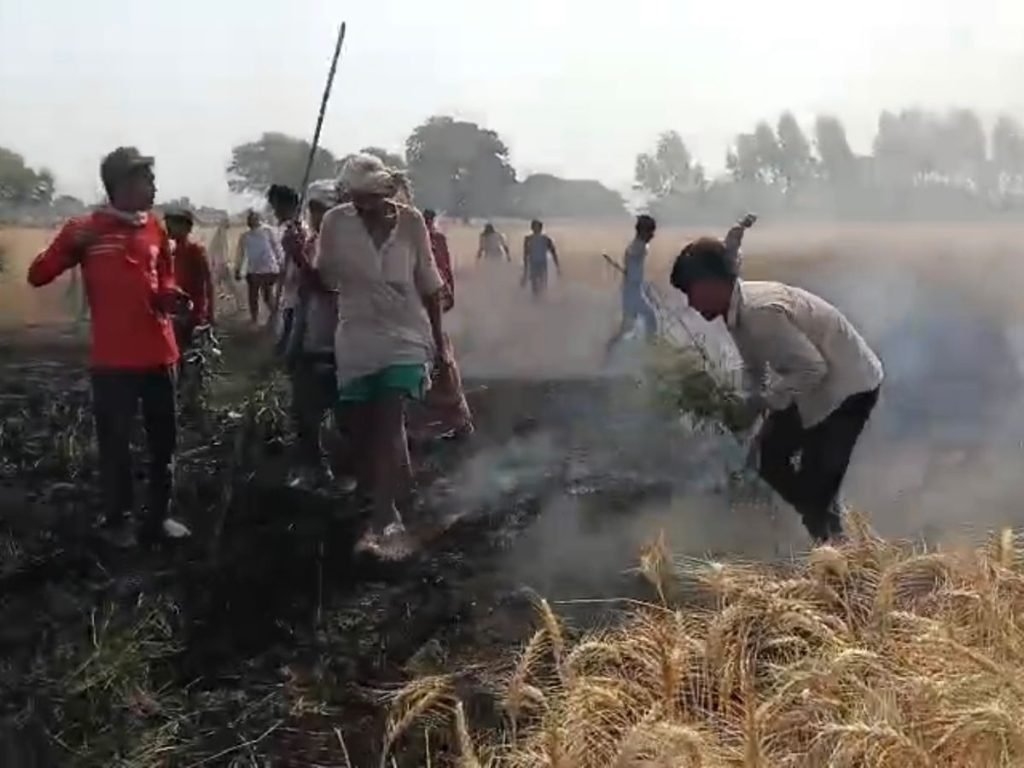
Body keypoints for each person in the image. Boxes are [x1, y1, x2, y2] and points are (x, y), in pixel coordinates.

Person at [26, 147, 192, 545]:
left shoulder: (155, 228)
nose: (154, 187)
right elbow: (38, 275)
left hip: (161, 355)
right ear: (121, 185)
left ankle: (159, 518)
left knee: (163, 443)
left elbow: (164, 279)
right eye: (146, 180)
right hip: (114, 361)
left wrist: (170, 296)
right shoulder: (85, 229)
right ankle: (117, 521)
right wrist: (67, 246)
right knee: (116, 444)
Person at [669, 237, 883, 543]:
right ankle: (824, 521)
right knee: (769, 458)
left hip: (847, 389)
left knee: (816, 484)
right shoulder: (738, 312)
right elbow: (755, 368)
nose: (690, 303)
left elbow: (813, 368)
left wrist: (760, 403)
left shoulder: (759, 312)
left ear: (712, 283)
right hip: (811, 385)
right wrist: (745, 406)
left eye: (691, 292)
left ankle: (839, 549)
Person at [314, 154, 449, 556]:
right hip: (357, 336)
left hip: (406, 334)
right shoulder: (335, 222)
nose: (362, 206)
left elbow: (429, 284)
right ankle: (395, 493)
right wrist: (305, 254)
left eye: (368, 198)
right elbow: (326, 278)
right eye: (354, 198)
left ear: (384, 191)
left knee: (390, 420)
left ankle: (383, 520)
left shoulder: (410, 223)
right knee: (363, 429)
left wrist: (440, 346)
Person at [286, 180, 348, 488]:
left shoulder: (347, 246)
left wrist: (298, 258)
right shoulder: (310, 242)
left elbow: (327, 286)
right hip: (310, 336)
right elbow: (300, 295)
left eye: (322, 209)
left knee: (346, 413)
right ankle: (314, 468)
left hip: (341, 340)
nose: (315, 216)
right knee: (304, 411)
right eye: (313, 209)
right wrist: (291, 338)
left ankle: (350, 474)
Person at [415, 209, 474, 440]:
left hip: (429, 303)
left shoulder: (434, 240)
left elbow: (444, 271)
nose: (428, 225)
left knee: (440, 358)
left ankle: (458, 421)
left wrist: (447, 295)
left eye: (429, 221)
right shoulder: (422, 239)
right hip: (418, 306)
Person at [605, 214, 658, 355]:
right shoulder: (638, 246)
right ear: (643, 231)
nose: (653, 235)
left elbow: (633, 265)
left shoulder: (640, 245)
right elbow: (631, 254)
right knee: (650, 318)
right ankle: (651, 350)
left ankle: (610, 350)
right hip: (631, 291)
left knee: (628, 327)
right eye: (651, 231)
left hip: (634, 289)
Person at [266, 184, 309, 354]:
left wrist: (295, 246)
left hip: (301, 297)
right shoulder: (285, 229)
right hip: (290, 293)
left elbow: (305, 263)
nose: (275, 212)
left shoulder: (301, 230)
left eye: (277, 207)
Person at [164, 207, 214, 351]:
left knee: (190, 351)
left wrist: (210, 312)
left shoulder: (196, 250)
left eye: (172, 224)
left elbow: (208, 282)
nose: (168, 227)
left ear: (186, 227)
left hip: (194, 310)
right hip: (178, 309)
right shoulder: (172, 251)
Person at [234, 209, 283, 324]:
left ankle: (275, 317)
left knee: (267, 295)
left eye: (253, 218)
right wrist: (238, 269)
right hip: (253, 270)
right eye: (249, 219)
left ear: (258, 219)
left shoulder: (268, 231)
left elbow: (276, 247)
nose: (251, 221)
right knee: (253, 297)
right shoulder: (245, 236)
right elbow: (240, 254)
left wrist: (281, 262)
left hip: (268, 269)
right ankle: (254, 319)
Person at [522, 219, 560, 299]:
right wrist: (525, 269)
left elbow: (553, 252)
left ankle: (542, 299)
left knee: (542, 283)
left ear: (540, 228)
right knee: (534, 283)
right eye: (534, 227)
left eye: (537, 227)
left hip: (542, 263)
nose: (536, 229)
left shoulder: (545, 239)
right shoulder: (528, 239)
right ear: (532, 228)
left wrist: (557, 266)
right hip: (533, 263)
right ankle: (536, 300)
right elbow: (525, 254)